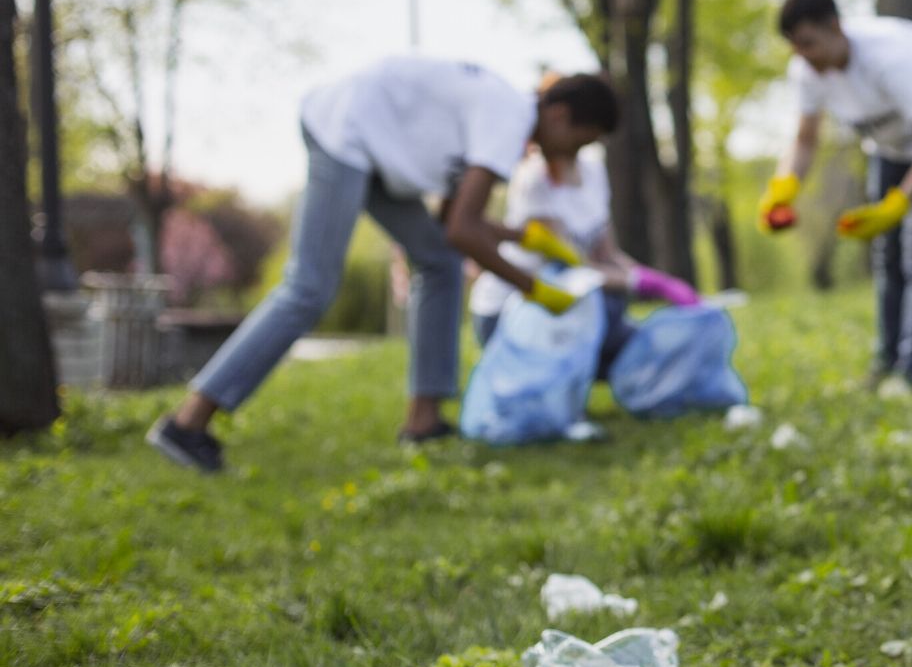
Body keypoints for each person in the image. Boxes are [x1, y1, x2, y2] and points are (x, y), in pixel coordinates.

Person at [146, 58, 620, 473]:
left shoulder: (503, 115)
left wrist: (522, 237)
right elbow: (463, 229)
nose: (573, 155)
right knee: (309, 287)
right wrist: (536, 290)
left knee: (438, 263)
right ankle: (186, 424)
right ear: (559, 116)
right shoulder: (509, 119)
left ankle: (424, 421)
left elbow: (448, 225)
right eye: (580, 142)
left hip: (374, 145)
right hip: (345, 130)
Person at [758, 0, 912, 385]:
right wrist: (783, 188)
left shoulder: (891, 60)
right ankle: (886, 362)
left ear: (834, 26)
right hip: (890, 149)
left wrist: (893, 207)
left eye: (808, 42)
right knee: (887, 253)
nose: (802, 56)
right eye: (794, 46)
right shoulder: (809, 69)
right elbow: (806, 139)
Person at [468, 126, 699, 352]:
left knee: (644, 343)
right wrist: (642, 283)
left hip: (571, 299)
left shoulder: (593, 170)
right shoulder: (534, 180)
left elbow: (607, 254)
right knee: (607, 307)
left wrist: (658, 280)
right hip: (513, 308)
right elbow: (568, 270)